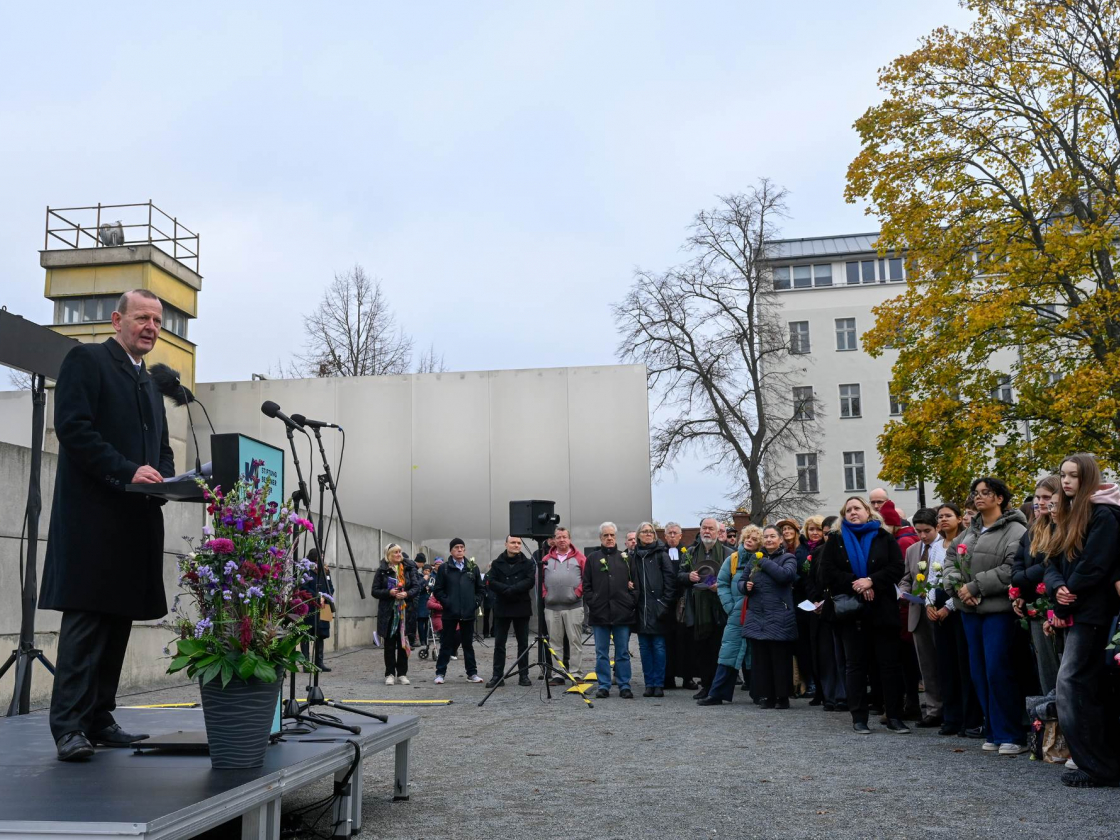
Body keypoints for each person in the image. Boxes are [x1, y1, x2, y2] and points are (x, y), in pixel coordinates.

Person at [41, 290, 175, 761]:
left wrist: (166, 479)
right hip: (92, 521)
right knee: (87, 621)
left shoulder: (151, 384)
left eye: (158, 321)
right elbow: (74, 427)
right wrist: (125, 470)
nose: (151, 327)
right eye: (142, 317)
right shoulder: (88, 360)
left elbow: (160, 449)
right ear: (117, 319)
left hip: (134, 522)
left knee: (117, 620)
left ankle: (99, 717)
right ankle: (69, 727)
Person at [1045, 454, 1120, 787]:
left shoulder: (1104, 514)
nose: (1066, 481)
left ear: (1087, 477)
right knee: (1079, 685)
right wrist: (1058, 587)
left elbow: (1096, 564)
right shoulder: (1070, 514)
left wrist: (1067, 593)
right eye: (1063, 475)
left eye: (1073, 476)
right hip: (1075, 608)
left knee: (1072, 683)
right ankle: (1095, 764)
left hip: (1092, 612)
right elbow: (1051, 559)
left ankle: (1097, 766)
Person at [944, 477, 1028, 755]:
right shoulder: (970, 531)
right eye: (976, 493)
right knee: (978, 672)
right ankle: (992, 730)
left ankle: (1012, 734)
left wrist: (975, 585)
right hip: (970, 610)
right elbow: (951, 559)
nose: (978, 497)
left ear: (999, 498)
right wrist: (958, 587)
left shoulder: (1015, 529)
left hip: (998, 612)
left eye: (986, 493)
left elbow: (1011, 568)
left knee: (997, 670)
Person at [820, 496, 909, 734]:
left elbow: (896, 568)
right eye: (848, 510)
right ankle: (858, 717)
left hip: (882, 610)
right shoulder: (836, 540)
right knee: (855, 666)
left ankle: (894, 716)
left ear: (868, 512)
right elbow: (827, 572)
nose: (852, 512)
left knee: (889, 665)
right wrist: (856, 583)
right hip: (851, 611)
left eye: (857, 508)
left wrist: (872, 582)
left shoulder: (884, 537)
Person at [933, 503, 983, 738]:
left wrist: (948, 606)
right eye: (940, 516)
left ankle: (968, 718)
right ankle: (950, 717)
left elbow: (960, 575)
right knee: (945, 666)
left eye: (948, 516)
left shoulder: (965, 541)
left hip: (958, 605)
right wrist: (929, 603)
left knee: (964, 664)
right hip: (937, 606)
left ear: (959, 518)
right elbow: (931, 577)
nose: (943, 520)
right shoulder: (935, 545)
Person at [1011, 476, 1062, 694]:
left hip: (1056, 606)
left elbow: (1050, 564)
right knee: (1045, 671)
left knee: (1061, 670)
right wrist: (1020, 592)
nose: (1040, 502)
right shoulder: (1032, 530)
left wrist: (1023, 579)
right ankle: (1050, 722)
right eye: (1037, 497)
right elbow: (1016, 567)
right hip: (1034, 607)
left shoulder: (1062, 528)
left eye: (1046, 497)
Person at [699, 526, 760, 706]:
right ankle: (717, 693)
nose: (749, 540)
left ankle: (758, 693)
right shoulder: (732, 559)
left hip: (756, 614)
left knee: (754, 655)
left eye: (754, 539)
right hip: (736, 614)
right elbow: (723, 583)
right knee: (728, 652)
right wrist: (730, 606)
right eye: (747, 537)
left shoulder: (762, 561)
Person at [740, 526, 798, 709]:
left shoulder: (788, 558)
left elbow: (785, 576)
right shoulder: (753, 559)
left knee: (779, 658)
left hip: (780, 615)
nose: (769, 540)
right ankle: (766, 695)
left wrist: (763, 561)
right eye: (766, 537)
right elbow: (741, 580)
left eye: (773, 536)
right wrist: (745, 586)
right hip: (758, 615)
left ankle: (782, 696)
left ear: (780, 539)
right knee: (761, 659)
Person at [898, 509, 943, 727]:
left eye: (927, 531)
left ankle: (951, 707)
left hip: (940, 611)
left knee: (944, 661)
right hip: (917, 611)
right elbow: (907, 577)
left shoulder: (944, 547)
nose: (923, 536)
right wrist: (903, 591)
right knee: (926, 664)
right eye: (919, 531)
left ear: (937, 528)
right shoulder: (913, 550)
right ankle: (934, 709)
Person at [678, 518, 732, 699]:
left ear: (718, 532)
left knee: (717, 649)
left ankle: (717, 687)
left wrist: (718, 585)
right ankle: (706, 685)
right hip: (697, 609)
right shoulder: (691, 553)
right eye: (704, 528)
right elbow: (679, 575)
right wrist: (688, 576)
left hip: (719, 609)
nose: (707, 531)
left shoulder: (727, 553)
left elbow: (733, 578)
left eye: (711, 528)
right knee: (701, 650)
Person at [583, 522, 637, 698]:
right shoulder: (593, 558)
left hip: (622, 612)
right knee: (601, 652)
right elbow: (586, 585)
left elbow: (635, 584)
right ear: (600, 538)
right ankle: (604, 685)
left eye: (612, 535)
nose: (609, 538)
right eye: (606, 535)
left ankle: (624, 684)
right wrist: (593, 602)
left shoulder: (626, 558)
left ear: (616, 537)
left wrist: (630, 601)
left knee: (622, 652)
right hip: (600, 613)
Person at [804, 516, 846, 711]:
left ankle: (843, 695)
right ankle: (829, 696)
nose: (829, 537)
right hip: (821, 610)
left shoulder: (846, 551)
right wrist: (816, 601)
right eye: (826, 533)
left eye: (832, 533)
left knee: (842, 656)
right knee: (826, 656)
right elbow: (810, 580)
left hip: (841, 608)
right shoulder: (818, 552)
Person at [632, 522, 676, 697]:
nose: (648, 534)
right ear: (638, 536)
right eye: (644, 531)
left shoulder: (661, 554)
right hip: (641, 608)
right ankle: (648, 683)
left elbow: (670, 581)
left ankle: (658, 683)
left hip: (658, 607)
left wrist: (664, 603)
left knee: (658, 646)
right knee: (644, 647)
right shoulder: (633, 556)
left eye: (651, 531)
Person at [433, 538, 485, 684]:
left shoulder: (472, 567)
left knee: (468, 644)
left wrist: (474, 603)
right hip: (450, 613)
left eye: (462, 547)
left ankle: (472, 673)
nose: (460, 549)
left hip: (468, 613)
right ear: (451, 550)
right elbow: (438, 590)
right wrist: (447, 602)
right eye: (456, 547)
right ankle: (440, 673)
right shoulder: (444, 568)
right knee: (446, 644)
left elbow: (480, 589)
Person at [486, 536, 535, 688]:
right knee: (499, 643)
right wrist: (506, 590)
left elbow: (530, 581)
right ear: (506, 544)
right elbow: (491, 581)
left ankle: (524, 675)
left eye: (519, 543)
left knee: (523, 643)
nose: (516, 545)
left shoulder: (528, 563)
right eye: (513, 542)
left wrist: (512, 589)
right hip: (503, 605)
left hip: (521, 606)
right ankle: (497, 676)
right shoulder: (496, 563)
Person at [541, 527, 587, 683]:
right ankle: (558, 674)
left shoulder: (580, 558)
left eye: (564, 537)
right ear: (554, 539)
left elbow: (587, 579)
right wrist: (545, 595)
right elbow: (540, 580)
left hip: (574, 607)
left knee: (575, 641)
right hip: (551, 608)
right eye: (558, 537)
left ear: (570, 539)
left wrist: (577, 594)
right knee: (555, 642)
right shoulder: (546, 559)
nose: (561, 540)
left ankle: (576, 673)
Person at [373, 543, 421, 685]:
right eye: (395, 552)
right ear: (389, 555)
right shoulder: (382, 571)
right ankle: (389, 674)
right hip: (388, 613)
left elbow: (416, 587)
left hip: (405, 612)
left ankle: (402, 673)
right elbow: (374, 591)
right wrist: (389, 592)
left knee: (403, 643)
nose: (399, 554)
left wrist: (406, 593)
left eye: (400, 552)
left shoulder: (409, 568)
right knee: (389, 644)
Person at [777, 517, 815, 700]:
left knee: (804, 645)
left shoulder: (804, 550)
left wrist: (793, 580)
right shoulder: (782, 551)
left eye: (788, 528)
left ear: (796, 530)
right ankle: (796, 683)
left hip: (803, 601)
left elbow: (805, 575)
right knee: (792, 645)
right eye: (783, 529)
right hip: (787, 602)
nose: (786, 532)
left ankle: (810, 682)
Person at [662, 522, 693, 690]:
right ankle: (669, 677)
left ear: (680, 536)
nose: (672, 536)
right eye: (669, 533)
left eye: (675, 533)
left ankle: (687, 677)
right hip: (667, 603)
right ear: (665, 536)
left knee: (686, 641)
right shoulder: (661, 553)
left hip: (683, 602)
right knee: (668, 642)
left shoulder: (687, 552)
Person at [300, 547, 335, 673]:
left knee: (321, 634)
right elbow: (303, 588)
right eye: (320, 556)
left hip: (323, 607)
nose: (322, 558)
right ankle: (306, 663)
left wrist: (326, 597)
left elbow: (330, 587)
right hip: (309, 608)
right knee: (306, 634)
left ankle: (319, 662)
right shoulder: (306, 570)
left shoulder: (325, 571)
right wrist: (316, 596)